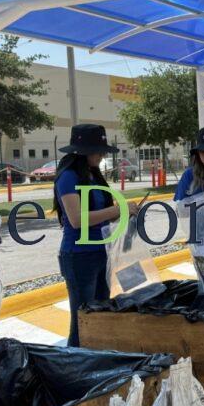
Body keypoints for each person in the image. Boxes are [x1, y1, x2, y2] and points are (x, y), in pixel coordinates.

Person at [53, 124, 138, 347]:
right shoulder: (68, 177)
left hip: (102, 252)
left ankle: (96, 363)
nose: (102, 156)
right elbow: (77, 220)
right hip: (79, 256)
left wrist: (126, 214)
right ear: (83, 151)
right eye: (98, 151)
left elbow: (104, 217)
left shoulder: (93, 175)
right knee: (83, 324)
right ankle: (73, 365)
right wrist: (119, 209)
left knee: (101, 319)